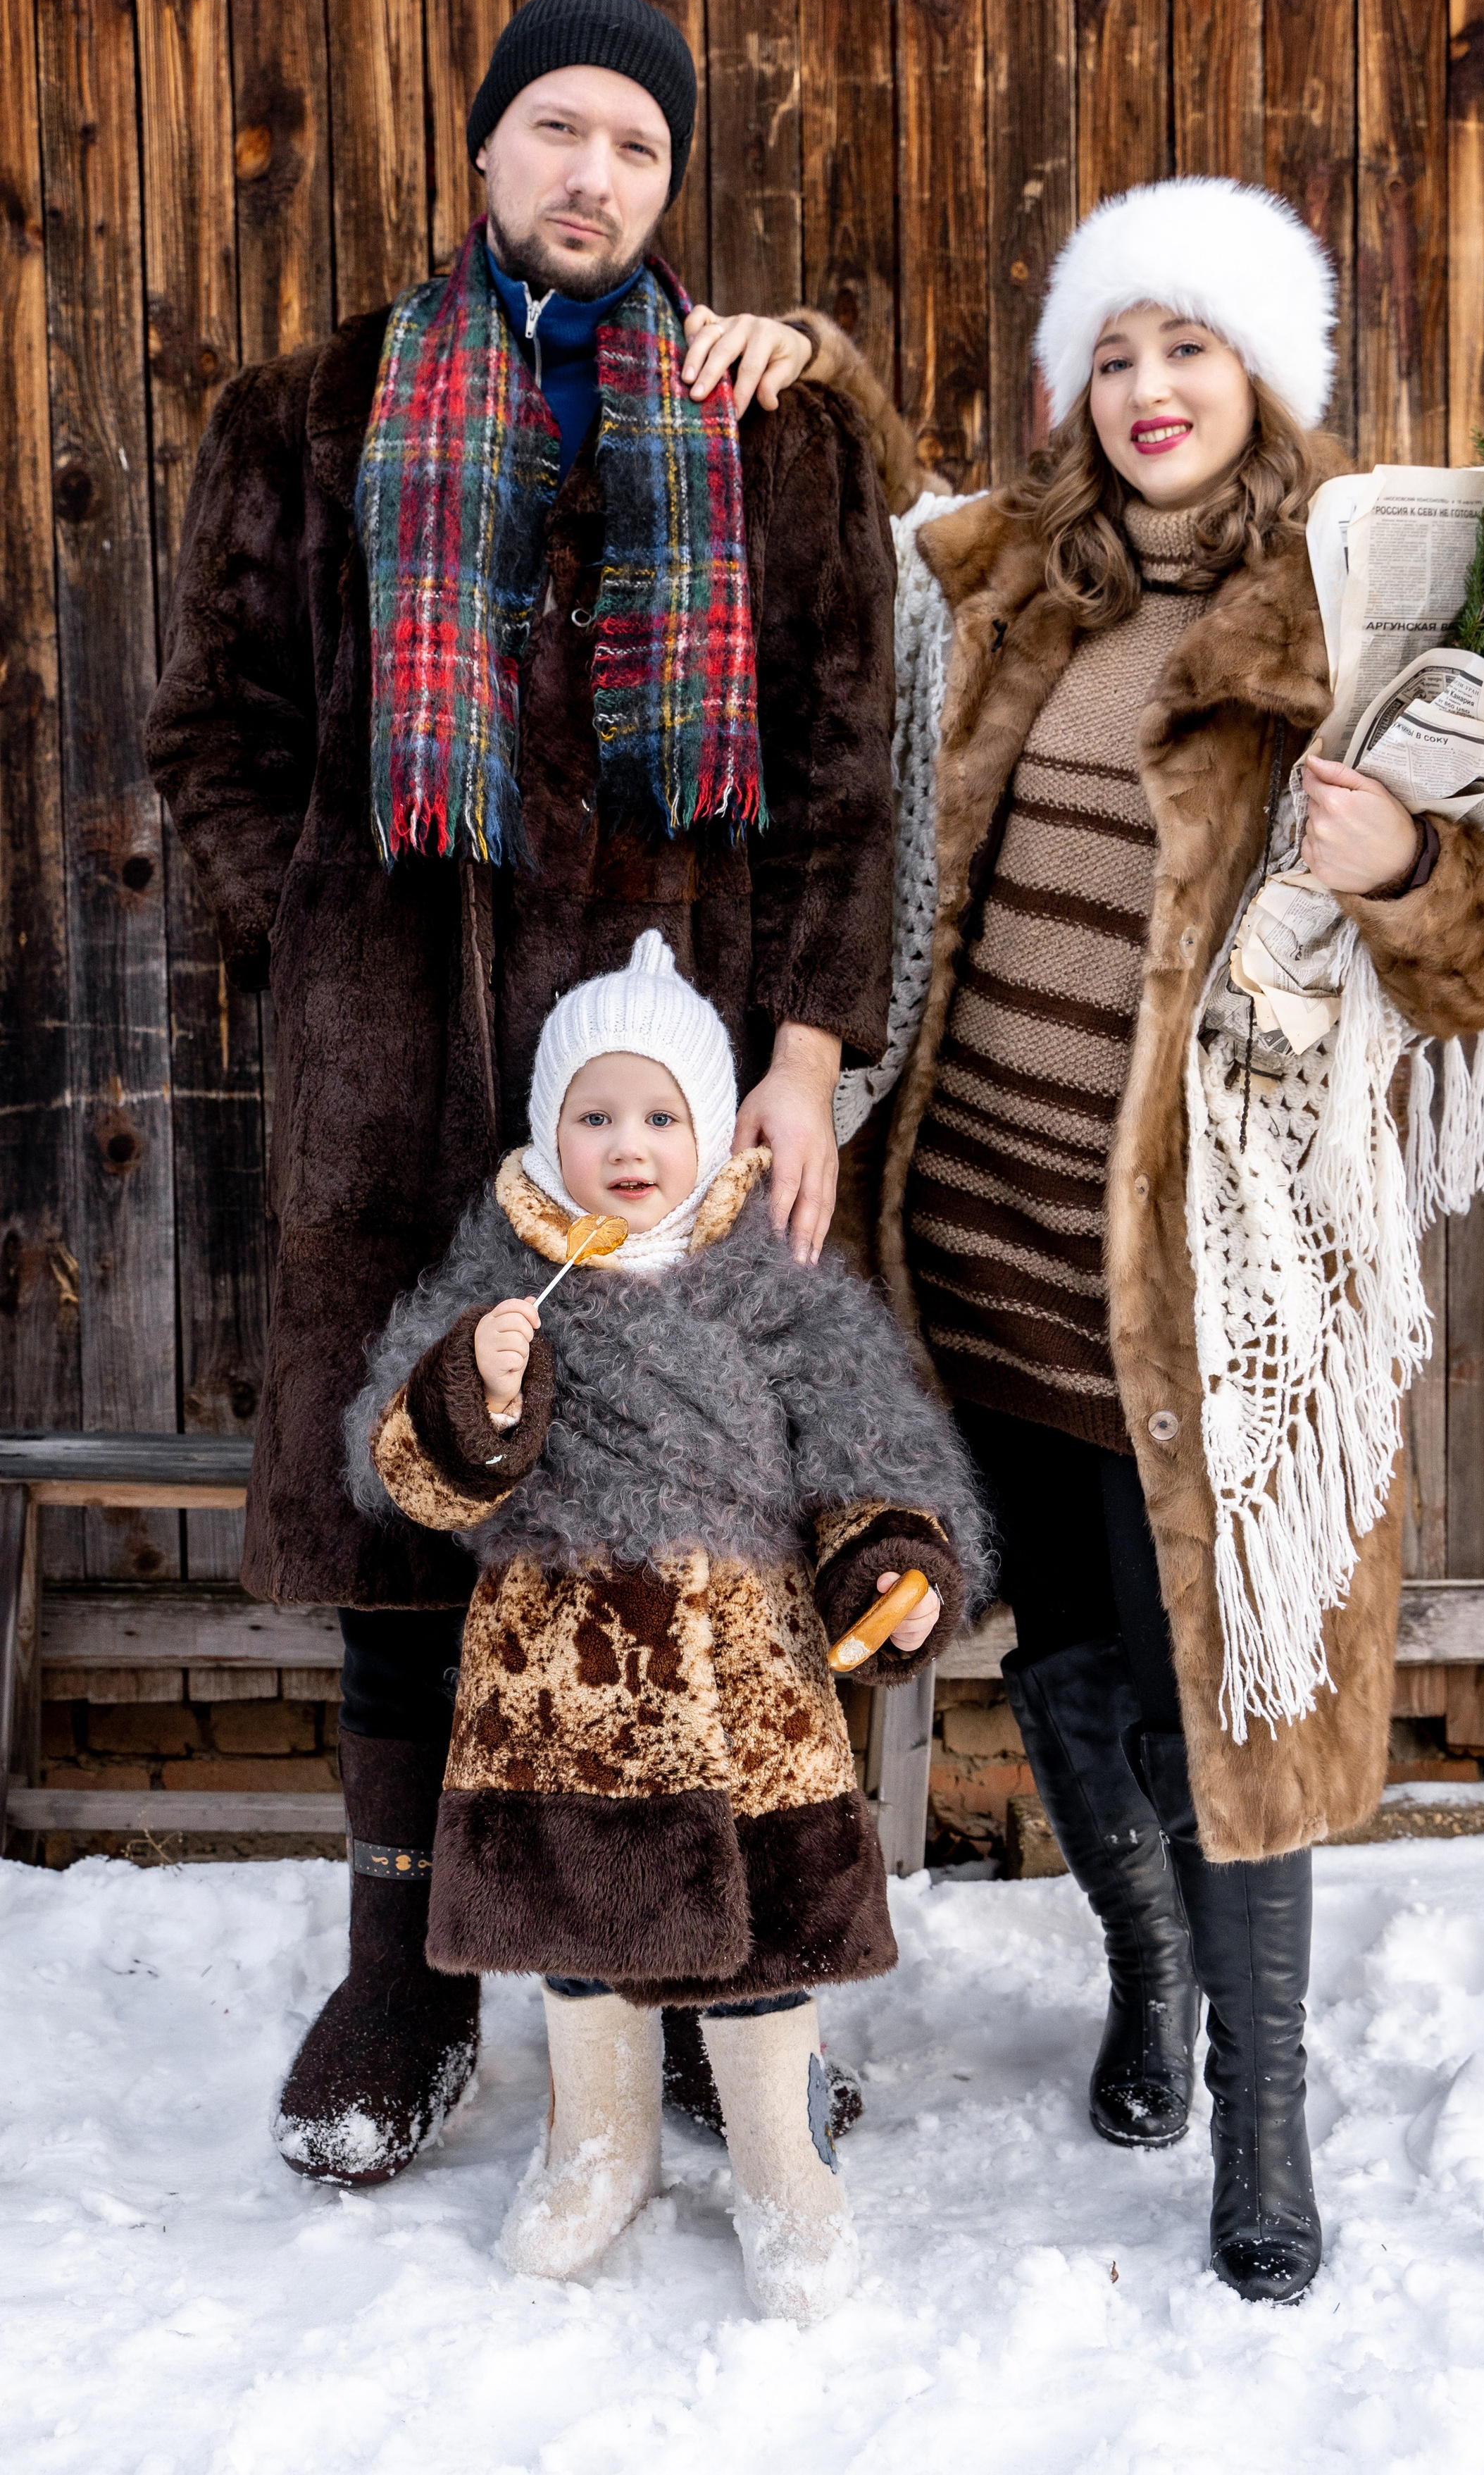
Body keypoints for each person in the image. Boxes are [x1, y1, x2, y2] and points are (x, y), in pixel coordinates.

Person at [146, 0, 911, 2188]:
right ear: (484, 153)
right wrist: (314, 949)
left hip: (687, 1084)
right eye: (557, 131)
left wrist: (805, 1065)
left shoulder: (764, 426)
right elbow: (216, 734)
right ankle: (408, 1973)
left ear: (675, 184)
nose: (594, 175)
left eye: (638, 148)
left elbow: (851, 779)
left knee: (709, 1526)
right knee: (418, 1504)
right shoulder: (314, 415)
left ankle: (712, 1966)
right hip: (407, 1079)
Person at [873, 178, 1484, 2303]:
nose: (1153, 386)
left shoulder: (1360, 628)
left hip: (1223, 1276)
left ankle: (1264, 2125)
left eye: (1194, 345)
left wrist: (1404, 863)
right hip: (991, 1235)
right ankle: (1141, 1974)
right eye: (1117, 348)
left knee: (1236, 1694)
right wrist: (809, 352)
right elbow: (879, 498)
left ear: (1265, 372)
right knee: (1069, 1663)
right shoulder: (1021, 590)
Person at [344, 931, 983, 2321]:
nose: (626, 1146)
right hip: (563, 1680)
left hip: (743, 1682)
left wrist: (893, 1552)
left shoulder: (770, 1287)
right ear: (546, 1129)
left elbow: (867, 1443)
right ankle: (595, 2146)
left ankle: (781, 2162)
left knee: (766, 1951)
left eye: (657, 1115)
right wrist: (476, 1390)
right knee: (584, 1937)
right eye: (592, 1115)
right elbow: (402, 1462)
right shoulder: (497, 1277)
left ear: (707, 1130)